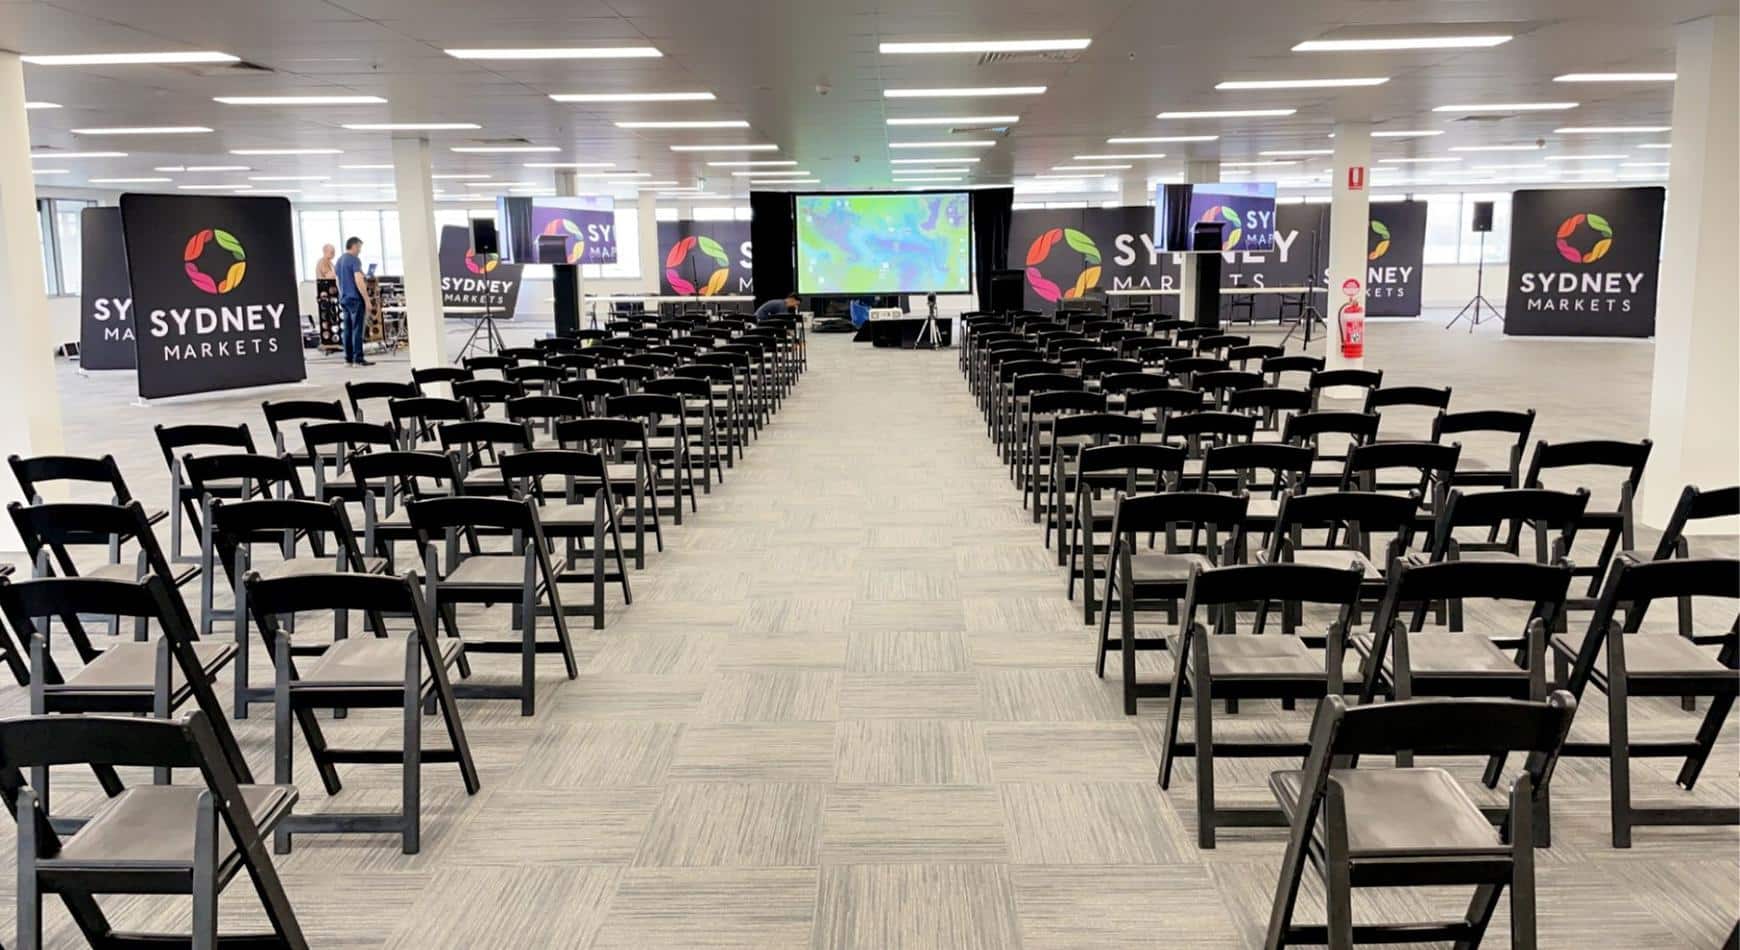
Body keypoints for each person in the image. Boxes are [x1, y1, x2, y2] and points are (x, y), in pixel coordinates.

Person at [334, 237, 373, 367]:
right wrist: (367, 300)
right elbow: (358, 280)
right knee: (357, 329)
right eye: (359, 247)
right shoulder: (354, 260)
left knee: (347, 329)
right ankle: (358, 359)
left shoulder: (339, 261)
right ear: (354, 246)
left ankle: (348, 359)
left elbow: (338, 281)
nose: (360, 251)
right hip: (356, 299)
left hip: (345, 298)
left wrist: (342, 294)